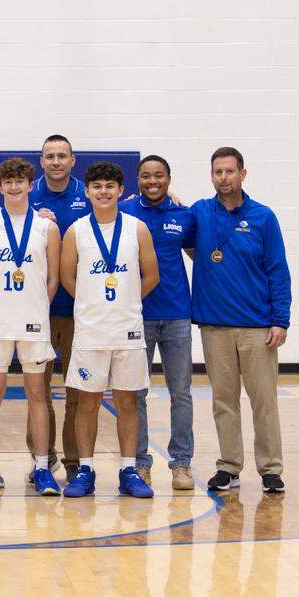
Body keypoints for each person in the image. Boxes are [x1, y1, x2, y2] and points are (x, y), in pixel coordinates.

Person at [190, 147, 291, 494]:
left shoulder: (264, 217)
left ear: (243, 174)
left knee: (264, 401)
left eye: (230, 171)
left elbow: (278, 269)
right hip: (214, 327)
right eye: (218, 172)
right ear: (212, 175)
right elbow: (180, 238)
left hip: (258, 328)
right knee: (223, 401)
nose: (224, 178)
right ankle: (229, 467)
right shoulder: (200, 213)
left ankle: (271, 470)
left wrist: (281, 320)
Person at [59, 162, 159, 499]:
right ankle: (85, 468)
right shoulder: (76, 231)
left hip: (128, 330)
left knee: (127, 402)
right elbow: (67, 278)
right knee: (86, 402)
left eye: (110, 186)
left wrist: (126, 302)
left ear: (120, 191)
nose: (103, 191)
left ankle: (128, 469)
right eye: (97, 186)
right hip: (90, 331)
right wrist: (92, 304)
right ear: (86, 191)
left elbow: (151, 276)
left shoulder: (137, 228)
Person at [0, 157, 61, 496]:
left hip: (33, 321)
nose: (13, 187)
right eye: (7, 182)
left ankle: (42, 467)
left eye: (19, 181)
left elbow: (53, 279)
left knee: (37, 394)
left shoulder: (46, 227)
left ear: (29, 184)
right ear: (0, 187)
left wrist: (36, 306)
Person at [120, 155, 196, 491]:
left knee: (181, 393)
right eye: (147, 177)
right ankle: (140, 464)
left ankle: (181, 464)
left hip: (177, 313)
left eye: (159, 176)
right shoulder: (125, 213)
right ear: (138, 179)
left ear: (169, 178)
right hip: (138, 315)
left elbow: (197, 255)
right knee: (137, 394)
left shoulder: (183, 214)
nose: (153, 182)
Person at [29, 134, 91, 482]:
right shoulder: (26, 194)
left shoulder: (88, 194)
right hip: (37, 308)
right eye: (49, 156)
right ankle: (42, 458)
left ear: (73, 160)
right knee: (38, 390)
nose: (55, 161)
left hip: (79, 308)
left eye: (61, 156)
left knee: (76, 392)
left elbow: (121, 209)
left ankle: (73, 460)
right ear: (41, 161)